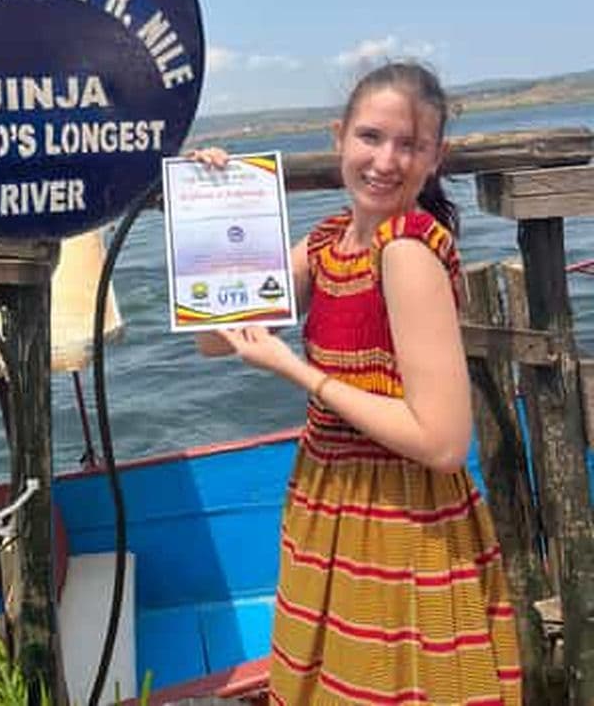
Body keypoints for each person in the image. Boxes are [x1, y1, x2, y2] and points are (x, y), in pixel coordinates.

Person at [194, 62, 521, 706]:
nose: (386, 161)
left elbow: (443, 443)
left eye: (410, 145)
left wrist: (299, 372)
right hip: (327, 502)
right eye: (371, 137)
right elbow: (214, 337)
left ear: (435, 158)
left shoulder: (408, 251)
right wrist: (219, 203)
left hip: (401, 516)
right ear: (338, 137)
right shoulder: (328, 242)